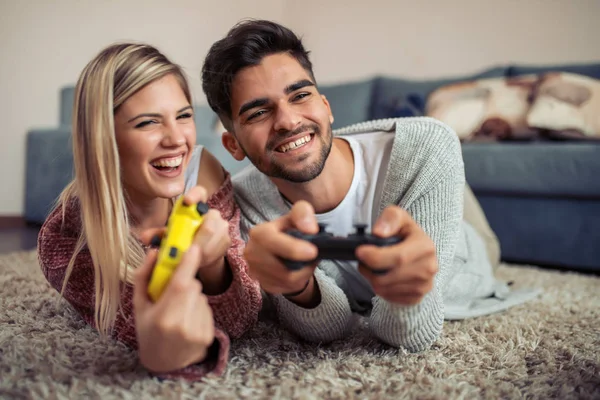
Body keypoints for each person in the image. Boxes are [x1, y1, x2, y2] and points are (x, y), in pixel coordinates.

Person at [200, 19, 541, 351]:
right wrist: (298, 287)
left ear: (326, 107)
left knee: (436, 148)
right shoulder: (247, 203)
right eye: (258, 113)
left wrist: (406, 294)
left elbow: (413, 335)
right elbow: (332, 327)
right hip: (386, 168)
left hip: (469, 248)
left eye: (300, 95)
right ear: (233, 146)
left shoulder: (425, 145)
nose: (288, 121)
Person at [37, 43, 262, 381]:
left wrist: (215, 266)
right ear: (103, 138)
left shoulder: (203, 174)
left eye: (184, 116)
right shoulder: (65, 241)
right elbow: (154, 334)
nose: (177, 139)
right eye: (147, 123)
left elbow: (241, 319)